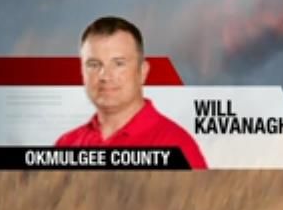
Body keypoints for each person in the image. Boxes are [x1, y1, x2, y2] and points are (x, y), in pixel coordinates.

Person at [55, 16, 208, 170]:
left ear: (142, 71)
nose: (105, 76)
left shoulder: (177, 146)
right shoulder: (66, 144)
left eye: (119, 64)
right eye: (94, 64)